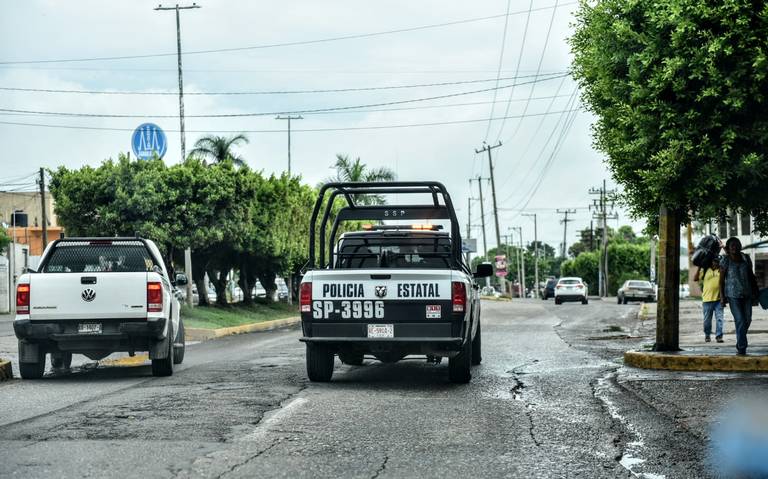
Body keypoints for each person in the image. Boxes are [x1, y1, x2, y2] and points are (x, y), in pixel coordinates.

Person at [719, 237, 759, 355]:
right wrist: (722, 297)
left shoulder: (746, 258)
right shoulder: (725, 260)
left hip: (747, 294)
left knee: (747, 320)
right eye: (732, 245)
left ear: (740, 246)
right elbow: (721, 281)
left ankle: (739, 341)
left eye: (736, 245)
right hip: (733, 296)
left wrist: (756, 291)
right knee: (740, 320)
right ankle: (742, 347)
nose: (734, 247)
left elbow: (751, 276)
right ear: (728, 248)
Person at [694, 256, 723, 343]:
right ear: (711, 262)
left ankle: (719, 336)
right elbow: (695, 279)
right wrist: (699, 267)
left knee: (719, 318)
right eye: (714, 261)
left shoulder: (721, 271)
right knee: (707, 320)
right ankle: (707, 335)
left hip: (718, 299)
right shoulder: (706, 270)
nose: (716, 263)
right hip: (707, 300)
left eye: (717, 262)